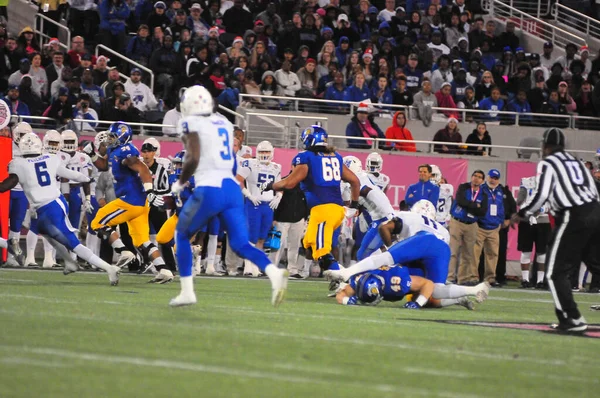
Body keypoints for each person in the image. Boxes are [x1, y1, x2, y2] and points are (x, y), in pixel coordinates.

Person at [168, 86, 288, 306]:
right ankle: (273, 273)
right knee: (241, 243)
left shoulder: (190, 122)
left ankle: (187, 291)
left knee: (182, 235)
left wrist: (180, 181)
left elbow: (193, 157)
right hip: (231, 189)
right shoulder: (223, 122)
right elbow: (232, 160)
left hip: (210, 188)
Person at [0, 133, 120, 285]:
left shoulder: (18, 164)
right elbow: (71, 175)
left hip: (50, 207)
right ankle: (69, 261)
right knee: (44, 231)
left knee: (71, 242)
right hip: (47, 206)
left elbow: (6, 186)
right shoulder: (50, 159)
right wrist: (86, 179)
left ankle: (109, 268)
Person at [512, 128, 600, 333]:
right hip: (595, 211)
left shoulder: (549, 162)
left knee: (554, 272)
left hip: (573, 214)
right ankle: (572, 318)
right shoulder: (577, 162)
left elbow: (542, 194)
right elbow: (594, 189)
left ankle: (572, 319)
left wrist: (522, 213)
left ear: (546, 146)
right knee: (596, 264)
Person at [261, 124, 360, 277]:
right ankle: (336, 272)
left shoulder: (306, 157)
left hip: (323, 210)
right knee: (310, 242)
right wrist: (354, 205)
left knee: (321, 248)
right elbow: (355, 181)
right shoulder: (336, 157)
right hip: (332, 210)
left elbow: (290, 182)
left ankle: (342, 278)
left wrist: (270, 185)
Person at [83, 122, 170, 282]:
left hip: (131, 200)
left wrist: (150, 190)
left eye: (113, 136)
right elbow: (103, 166)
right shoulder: (113, 150)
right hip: (138, 203)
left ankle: (124, 251)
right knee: (142, 241)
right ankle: (164, 270)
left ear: (122, 137)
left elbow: (142, 168)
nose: (109, 139)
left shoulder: (126, 152)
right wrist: (92, 155)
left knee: (98, 222)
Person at [332, 265, 487, 310]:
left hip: (419, 272)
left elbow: (428, 284)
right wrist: (347, 301)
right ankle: (459, 300)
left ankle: (470, 292)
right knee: (432, 303)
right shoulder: (358, 281)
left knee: (433, 297)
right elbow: (341, 294)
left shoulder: (397, 280)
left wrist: (417, 303)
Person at [236, 141, 282, 276]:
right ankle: (248, 266)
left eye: (266, 152)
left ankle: (255, 265)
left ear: (272, 153)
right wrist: (249, 195)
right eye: (262, 152)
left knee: (262, 237)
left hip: (268, 205)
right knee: (252, 236)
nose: (264, 154)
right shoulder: (250, 163)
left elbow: (280, 184)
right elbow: (238, 179)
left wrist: (278, 196)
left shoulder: (276, 167)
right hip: (254, 203)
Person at [342, 156, 395, 262]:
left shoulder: (358, 179)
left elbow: (368, 191)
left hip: (384, 218)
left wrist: (353, 206)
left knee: (365, 253)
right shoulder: (361, 177)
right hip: (377, 218)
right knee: (367, 251)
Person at [140, 138, 176, 274]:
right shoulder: (138, 167)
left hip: (156, 206)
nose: (146, 154)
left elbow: (166, 189)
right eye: (144, 152)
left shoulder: (160, 169)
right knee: (142, 236)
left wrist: (154, 195)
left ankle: (171, 265)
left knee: (163, 236)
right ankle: (145, 262)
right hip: (141, 207)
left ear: (154, 153)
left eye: (149, 152)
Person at [447, 170, 488, 285]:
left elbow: (483, 211)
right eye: (475, 175)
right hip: (457, 221)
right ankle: (450, 277)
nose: (476, 178)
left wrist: (469, 205)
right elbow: (460, 201)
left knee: (468, 253)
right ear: (471, 177)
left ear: (482, 181)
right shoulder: (463, 187)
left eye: (479, 177)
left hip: (471, 225)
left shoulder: (483, 194)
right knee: (452, 251)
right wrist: (475, 205)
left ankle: (462, 279)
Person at [516, 175, 552, 289]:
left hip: (540, 219)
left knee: (541, 252)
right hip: (530, 220)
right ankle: (528, 279)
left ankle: (536, 280)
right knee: (529, 251)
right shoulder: (527, 182)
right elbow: (519, 201)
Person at [474, 169, 505, 287]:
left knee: (493, 254)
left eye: (496, 178)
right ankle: (473, 277)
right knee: (475, 254)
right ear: (487, 177)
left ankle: (490, 278)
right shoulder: (481, 189)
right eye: (491, 177)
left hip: (493, 227)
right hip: (480, 226)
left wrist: (500, 221)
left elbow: (501, 208)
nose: (493, 180)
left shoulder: (500, 191)